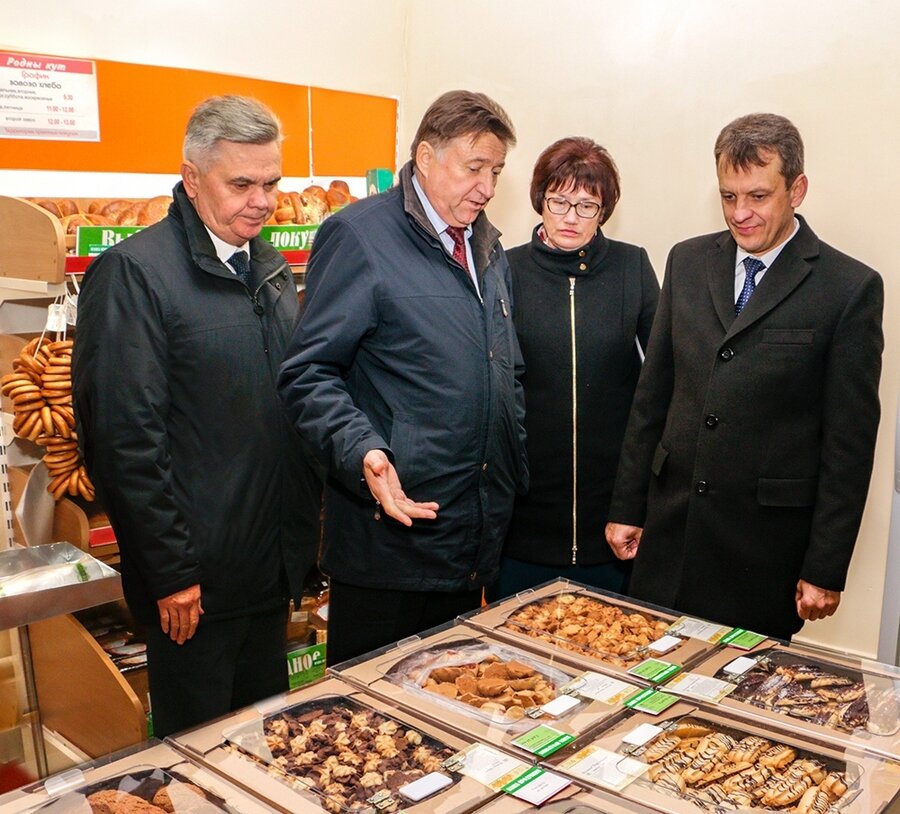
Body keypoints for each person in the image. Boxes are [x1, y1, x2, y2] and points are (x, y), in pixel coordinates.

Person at [72, 95, 322, 737]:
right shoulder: (134, 275)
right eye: (241, 185)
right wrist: (170, 571)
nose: (262, 202)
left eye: (271, 183)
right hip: (196, 588)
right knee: (199, 756)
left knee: (266, 741)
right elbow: (124, 440)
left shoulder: (269, 269)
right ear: (191, 177)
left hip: (268, 571)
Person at [605, 113, 883, 641]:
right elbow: (653, 397)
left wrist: (825, 566)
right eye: (728, 197)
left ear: (796, 189)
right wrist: (627, 507)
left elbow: (848, 445)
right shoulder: (687, 261)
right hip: (669, 538)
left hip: (763, 555)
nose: (740, 213)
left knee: (739, 691)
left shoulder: (849, 288)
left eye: (758, 196)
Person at [278, 90, 527, 665]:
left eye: (495, 171)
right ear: (425, 156)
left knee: (452, 699)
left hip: (469, 536)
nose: (487, 187)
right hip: (389, 539)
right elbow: (308, 371)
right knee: (373, 709)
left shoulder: (487, 246)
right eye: (475, 168)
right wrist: (361, 449)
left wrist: (512, 464)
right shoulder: (359, 236)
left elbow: (504, 369)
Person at [490, 137, 658, 600]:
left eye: (587, 206)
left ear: (604, 211)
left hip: (613, 520)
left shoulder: (632, 267)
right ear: (540, 200)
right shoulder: (504, 270)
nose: (570, 217)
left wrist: (637, 503)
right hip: (525, 521)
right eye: (559, 201)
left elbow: (663, 381)